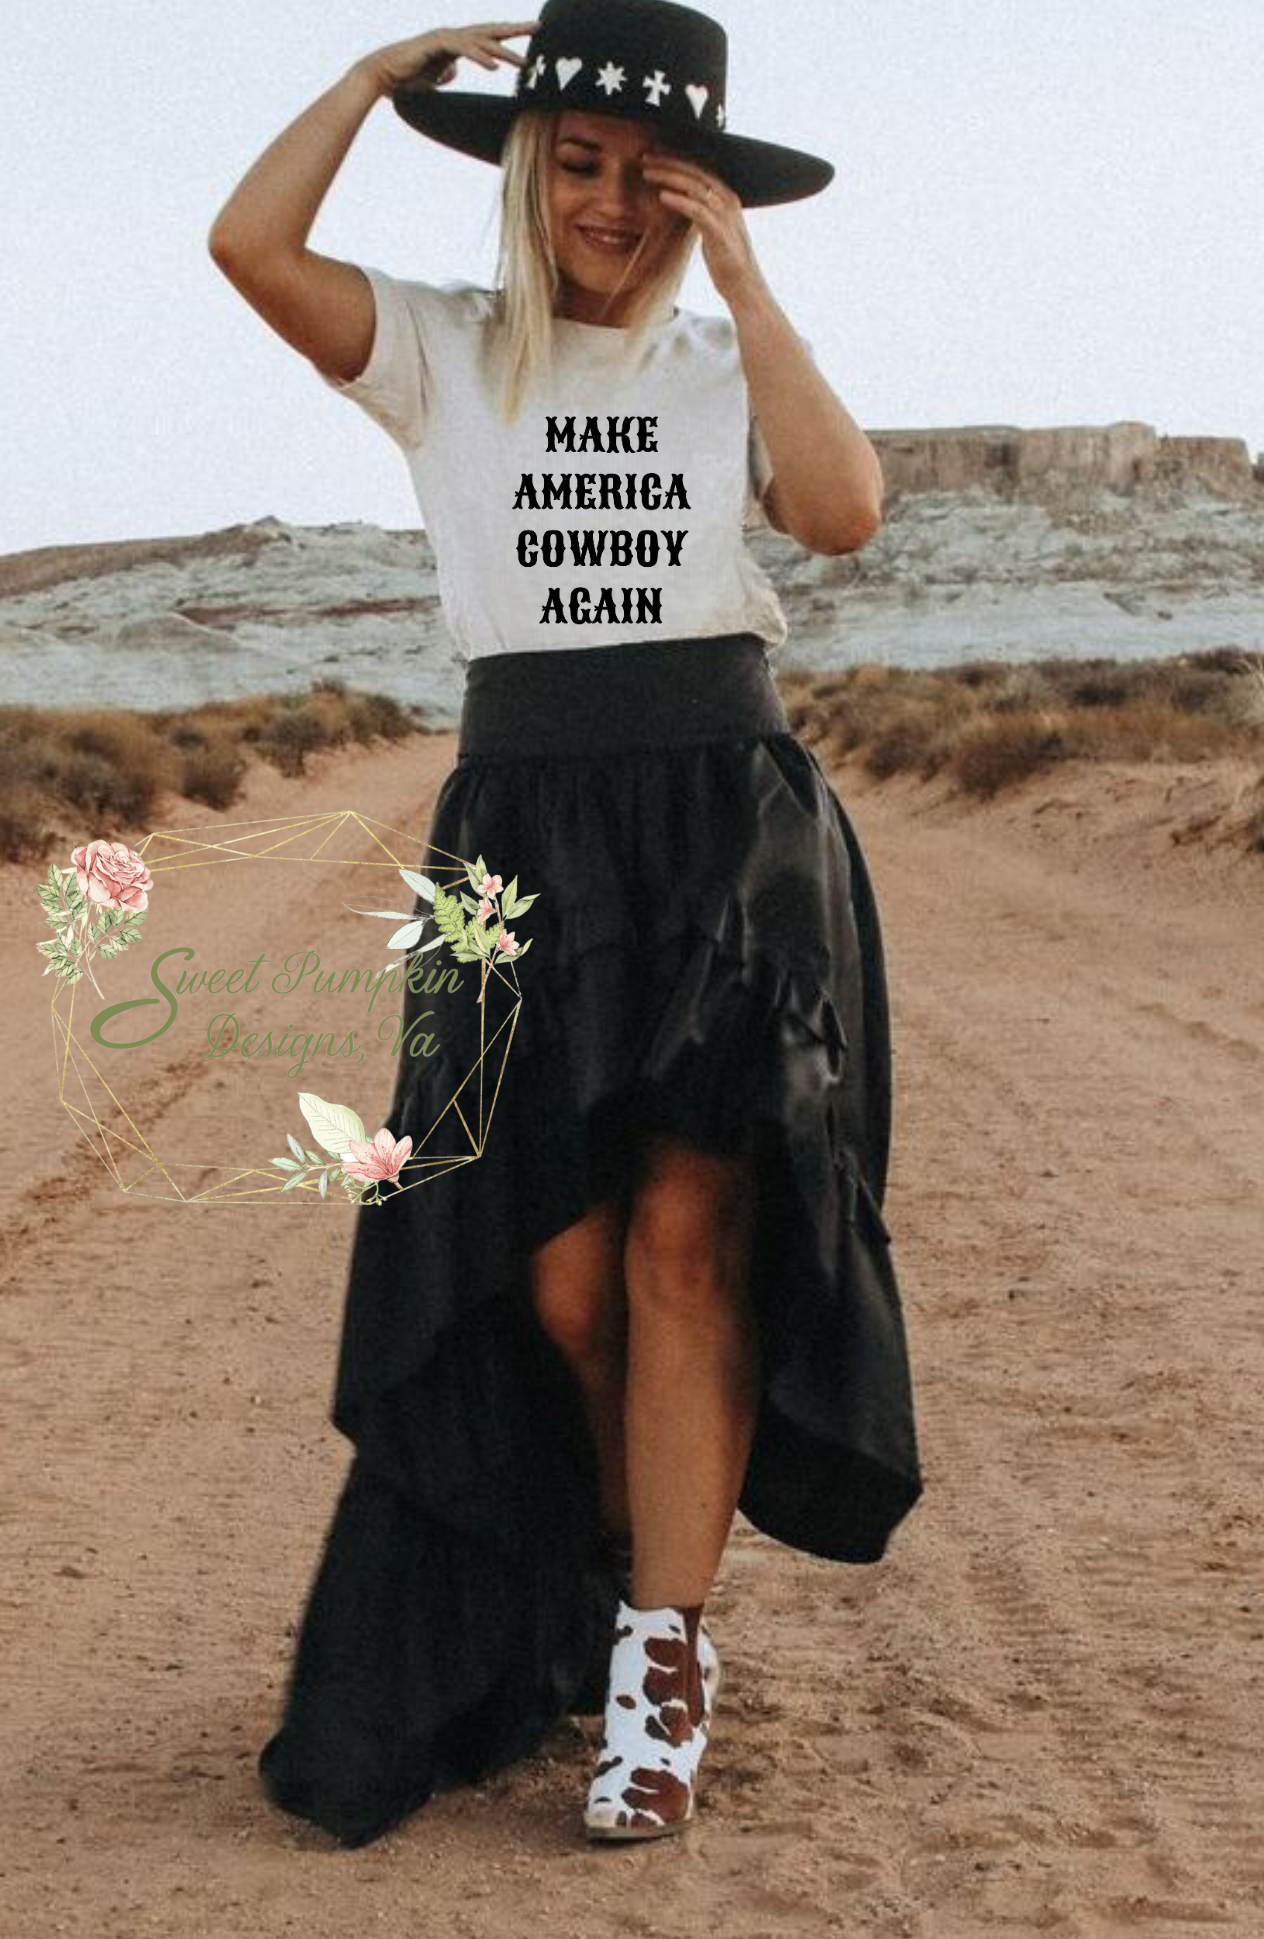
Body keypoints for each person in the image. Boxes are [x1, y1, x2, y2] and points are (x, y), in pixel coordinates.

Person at [209, 0, 924, 1849]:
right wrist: (377, 80)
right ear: (532, 171)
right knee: (556, 1272)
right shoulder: (442, 352)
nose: (609, 203)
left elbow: (841, 511)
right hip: (519, 825)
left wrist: (751, 286)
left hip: (715, 811)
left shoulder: (716, 356)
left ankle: (659, 1670)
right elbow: (249, 247)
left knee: (693, 1240)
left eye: (649, 175)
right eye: (578, 163)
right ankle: (618, 1581)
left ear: (698, 192)